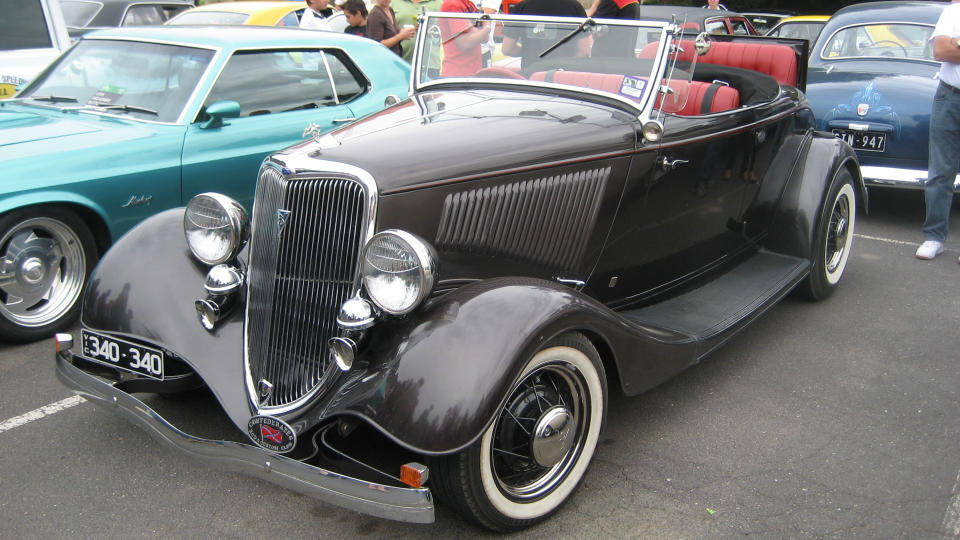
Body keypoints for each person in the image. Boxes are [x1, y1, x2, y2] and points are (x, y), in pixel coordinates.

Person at [917, 0, 960, 260]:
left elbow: (951, 48)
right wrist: (951, 46)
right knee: (940, 170)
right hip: (950, 95)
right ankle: (934, 237)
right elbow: (941, 50)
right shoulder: (954, 11)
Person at [501, 0, 589, 73]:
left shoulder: (521, 7)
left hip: (531, 75)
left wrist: (530, 51)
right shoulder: (575, 7)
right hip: (563, 76)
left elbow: (507, 49)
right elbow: (584, 52)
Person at [439, 0, 491, 77]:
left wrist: (485, 29)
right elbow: (464, 43)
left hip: (473, 71)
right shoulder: (452, 4)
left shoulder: (469, 4)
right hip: (458, 73)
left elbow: (484, 39)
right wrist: (486, 28)